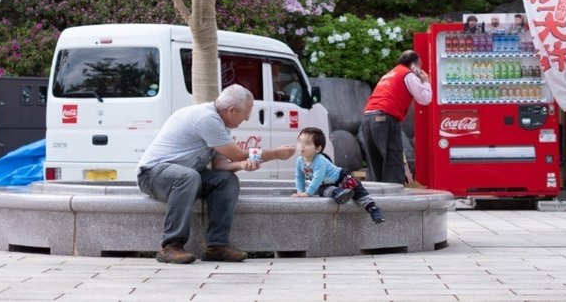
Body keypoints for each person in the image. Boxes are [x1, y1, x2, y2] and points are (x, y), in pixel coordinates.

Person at [136, 84, 296, 264]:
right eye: (245, 114)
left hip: (187, 178)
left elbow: (221, 165)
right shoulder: (207, 119)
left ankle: (216, 246)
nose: (247, 118)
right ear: (231, 110)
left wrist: (243, 165)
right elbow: (236, 154)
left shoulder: (222, 125)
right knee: (189, 177)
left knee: (226, 180)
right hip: (152, 175)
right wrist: (275, 154)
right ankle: (170, 246)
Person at [360, 50, 432, 185]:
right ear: (413, 65)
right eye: (419, 65)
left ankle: (377, 201)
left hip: (367, 118)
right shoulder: (408, 74)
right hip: (384, 117)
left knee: (376, 164)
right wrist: (426, 82)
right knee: (393, 161)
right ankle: (395, 201)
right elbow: (425, 98)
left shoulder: (389, 74)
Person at [291, 127, 384, 224]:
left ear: (318, 149)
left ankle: (373, 208)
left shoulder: (319, 160)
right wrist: (300, 192)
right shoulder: (300, 161)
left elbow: (317, 178)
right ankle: (340, 193)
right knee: (322, 190)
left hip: (341, 176)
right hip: (326, 184)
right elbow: (299, 176)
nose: (302, 146)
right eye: (300, 141)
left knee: (354, 185)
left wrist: (307, 193)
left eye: (307, 143)